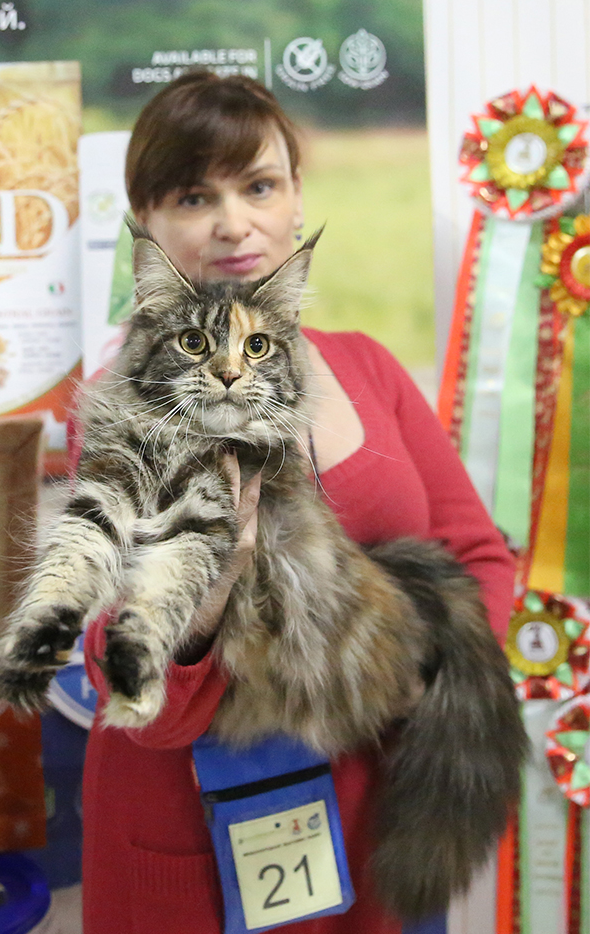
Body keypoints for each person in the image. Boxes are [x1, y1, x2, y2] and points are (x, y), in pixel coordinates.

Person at [76, 72, 516, 934]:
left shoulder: (368, 365)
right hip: (195, 825)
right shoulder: (122, 403)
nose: (233, 223)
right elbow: (130, 685)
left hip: (374, 805)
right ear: (148, 226)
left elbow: (479, 556)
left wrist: (414, 677)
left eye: (259, 185)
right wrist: (205, 597)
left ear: (296, 199)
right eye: (194, 195)